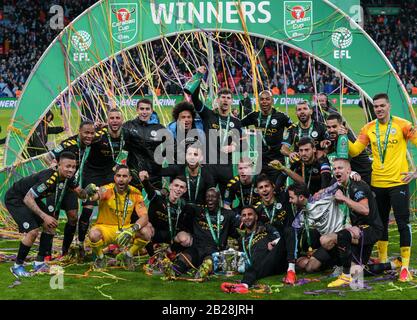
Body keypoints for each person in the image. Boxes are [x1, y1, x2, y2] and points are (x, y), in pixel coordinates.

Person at [348, 93, 417, 282]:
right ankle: (385, 259)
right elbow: (355, 150)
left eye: (381, 106)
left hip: (398, 183)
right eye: (375, 106)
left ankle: (404, 266)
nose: (378, 109)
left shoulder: (403, 124)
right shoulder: (368, 128)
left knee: (403, 224)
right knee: (381, 224)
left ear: (389, 106)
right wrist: (342, 133)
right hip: (377, 183)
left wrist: (415, 171)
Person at [5, 152, 97, 277]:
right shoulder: (50, 179)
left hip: (29, 198)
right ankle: (17, 266)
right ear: (58, 165)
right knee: (33, 231)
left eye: (73, 167)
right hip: (16, 198)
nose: (71, 170)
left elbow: (80, 193)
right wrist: (45, 216)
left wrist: (88, 192)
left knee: (51, 225)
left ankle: (39, 263)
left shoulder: (69, 178)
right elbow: (28, 199)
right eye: (67, 166)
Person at [319, 159, 384, 287]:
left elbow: (365, 210)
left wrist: (343, 198)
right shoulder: (340, 185)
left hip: (371, 229)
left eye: (340, 168)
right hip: (356, 230)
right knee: (325, 240)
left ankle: (345, 275)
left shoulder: (357, 185)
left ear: (349, 171)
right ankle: (392, 264)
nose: (337, 171)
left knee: (343, 235)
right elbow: (323, 193)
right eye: (335, 168)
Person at [45, 120, 99, 257]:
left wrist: (101, 126)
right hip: (55, 186)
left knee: (73, 217)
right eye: (86, 133)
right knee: (51, 221)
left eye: (92, 133)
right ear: (79, 132)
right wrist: (54, 167)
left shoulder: (86, 144)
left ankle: (64, 252)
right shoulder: (69, 144)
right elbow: (48, 156)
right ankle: (45, 255)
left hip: (70, 187)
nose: (89, 136)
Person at [77, 108, 126, 259]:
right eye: (112, 118)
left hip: (109, 174)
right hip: (91, 174)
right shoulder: (98, 136)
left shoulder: (126, 135)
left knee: (115, 207)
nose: (115, 120)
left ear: (122, 120)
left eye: (118, 117)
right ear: (107, 120)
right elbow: (80, 141)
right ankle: (80, 244)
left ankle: (112, 243)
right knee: (87, 210)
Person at [87, 165, 152, 270]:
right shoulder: (107, 189)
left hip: (125, 229)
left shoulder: (135, 192)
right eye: (118, 176)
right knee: (93, 234)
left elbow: (144, 217)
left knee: (147, 231)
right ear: (114, 177)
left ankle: (128, 256)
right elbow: (96, 195)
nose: (121, 179)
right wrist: (90, 193)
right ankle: (101, 257)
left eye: (125, 176)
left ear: (130, 178)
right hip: (105, 228)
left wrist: (132, 229)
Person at [190, 67, 242, 196]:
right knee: (208, 198)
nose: (225, 100)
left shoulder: (236, 122)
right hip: (209, 165)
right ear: (218, 100)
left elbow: (237, 142)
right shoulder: (208, 115)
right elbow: (195, 99)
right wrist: (199, 76)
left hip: (226, 166)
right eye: (222, 97)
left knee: (227, 200)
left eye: (228, 98)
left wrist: (233, 146)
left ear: (231, 101)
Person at [166, 188, 240, 277]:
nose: (210, 199)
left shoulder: (228, 214)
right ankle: (175, 271)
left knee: (209, 261)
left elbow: (238, 231)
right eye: (207, 196)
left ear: (219, 198)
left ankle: (203, 272)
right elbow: (186, 207)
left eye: (213, 196)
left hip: (214, 250)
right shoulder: (198, 211)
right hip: (197, 248)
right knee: (184, 258)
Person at [221, 206, 286, 293]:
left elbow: (280, 239)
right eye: (244, 215)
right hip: (261, 266)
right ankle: (243, 285)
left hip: (274, 257)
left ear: (256, 217)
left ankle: (291, 271)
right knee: (252, 268)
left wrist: (274, 242)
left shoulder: (266, 228)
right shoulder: (242, 240)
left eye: (250, 214)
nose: (247, 217)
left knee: (289, 231)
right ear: (241, 219)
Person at [241, 90, 293, 184]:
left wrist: (286, 142)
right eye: (262, 99)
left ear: (272, 101)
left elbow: (293, 128)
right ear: (259, 101)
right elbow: (238, 124)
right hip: (260, 162)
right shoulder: (254, 115)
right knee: (260, 190)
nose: (264, 102)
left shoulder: (280, 116)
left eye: (267, 99)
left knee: (276, 190)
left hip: (277, 161)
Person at [254, 174, 297, 284]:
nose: (264, 190)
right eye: (261, 187)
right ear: (258, 191)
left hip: (292, 239)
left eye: (266, 186)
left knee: (289, 230)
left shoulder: (283, 198)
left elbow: (284, 179)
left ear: (273, 187)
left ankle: (291, 271)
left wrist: (286, 168)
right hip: (276, 247)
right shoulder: (258, 210)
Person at [139, 171, 193, 253]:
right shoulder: (159, 197)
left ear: (185, 190)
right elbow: (150, 190)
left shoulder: (184, 205)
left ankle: (170, 252)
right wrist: (145, 181)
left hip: (171, 236)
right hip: (154, 233)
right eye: (176, 185)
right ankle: (152, 254)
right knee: (145, 229)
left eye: (181, 187)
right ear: (170, 186)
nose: (178, 189)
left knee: (186, 239)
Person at [122, 98, 166, 188]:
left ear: (151, 110)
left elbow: (173, 145)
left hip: (154, 172)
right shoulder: (128, 126)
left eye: (147, 109)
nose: (144, 112)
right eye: (142, 109)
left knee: (157, 200)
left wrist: (161, 155)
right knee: (133, 200)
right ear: (137, 110)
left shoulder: (159, 128)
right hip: (134, 171)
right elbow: (118, 138)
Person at [322, 113, 372, 185]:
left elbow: (342, 163)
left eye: (334, 126)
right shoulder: (337, 136)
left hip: (362, 176)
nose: (331, 130)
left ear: (342, 125)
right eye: (328, 127)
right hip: (352, 174)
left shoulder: (345, 137)